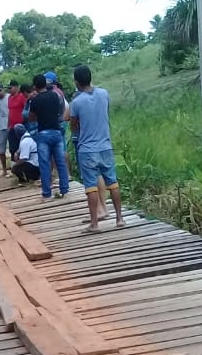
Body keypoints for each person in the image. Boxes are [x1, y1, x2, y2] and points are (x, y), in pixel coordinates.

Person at [69, 65, 125, 232]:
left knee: (91, 187)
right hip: (106, 146)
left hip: (87, 149)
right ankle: (119, 218)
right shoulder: (104, 93)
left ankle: (94, 223)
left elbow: (73, 125)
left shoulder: (76, 102)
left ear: (77, 82)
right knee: (112, 182)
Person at [28, 74, 70, 201]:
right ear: (46, 84)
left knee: (45, 164)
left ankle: (47, 193)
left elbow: (31, 118)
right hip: (56, 132)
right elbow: (60, 110)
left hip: (43, 133)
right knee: (60, 162)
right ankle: (64, 190)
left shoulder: (35, 101)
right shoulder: (54, 95)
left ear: (35, 86)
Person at [7, 80, 28, 157]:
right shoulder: (9, 98)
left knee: (22, 146)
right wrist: (8, 125)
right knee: (13, 147)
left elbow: (26, 110)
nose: (9, 89)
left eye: (10, 87)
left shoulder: (21, 97)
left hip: (21, 126)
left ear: (16, 87)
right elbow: (10, 112)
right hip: (12, 127)